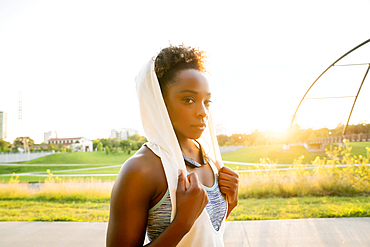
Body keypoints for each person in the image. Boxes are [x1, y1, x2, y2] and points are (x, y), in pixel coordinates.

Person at [106, 44, 239, 247]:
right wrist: (182, 223)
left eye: (207, 102)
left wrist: (230, 203)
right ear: (159, 102)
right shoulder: (141, 170)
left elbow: (205, 237)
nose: (203, 111)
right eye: (188, 100)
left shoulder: (209, 158)